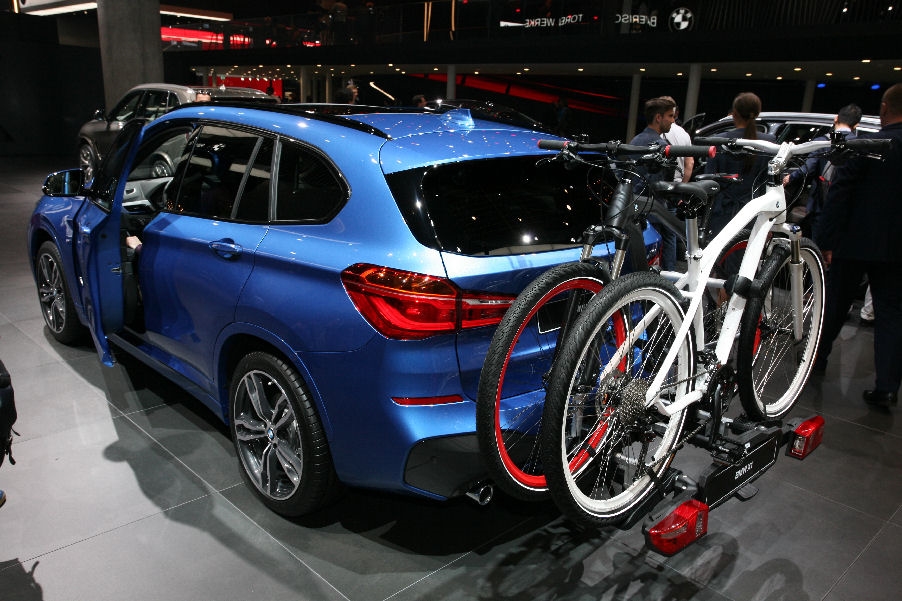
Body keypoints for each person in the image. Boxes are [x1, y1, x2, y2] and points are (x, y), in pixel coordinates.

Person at [813, 82, 902, 408]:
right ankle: (887, 387)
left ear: (883, 108)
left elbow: (840, 194)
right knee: (891, 314)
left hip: (854, 241)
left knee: (835, 304)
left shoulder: (867, 145)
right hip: (897, 248)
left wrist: (824, 242)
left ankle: (816, 360)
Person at [704, 92, 776, 238]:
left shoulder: (718, 140)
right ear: (757, 113)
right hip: (754, 212)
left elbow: (708, 181)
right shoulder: (768, 142)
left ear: (734, 113)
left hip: (721, 212)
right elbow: (769, 182)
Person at [783, 103, 862, 237]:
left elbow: (808, 168)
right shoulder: (859, 144)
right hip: (847, 205)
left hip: (822, 203)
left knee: (818, 240)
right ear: (856, 125)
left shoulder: (823, 142)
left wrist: (790, 177)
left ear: (836, 119)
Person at [631, 96, 678, 270]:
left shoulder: (635, 141)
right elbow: (661, 183)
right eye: (670, 116)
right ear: (659, 117)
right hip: (654, 209)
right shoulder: (661, 146)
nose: (673, 121)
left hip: (633, 207)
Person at [659, 96, 694, 183]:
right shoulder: (684, 133)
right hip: (677, 184)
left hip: (659, 183)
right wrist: (682, 185)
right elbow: (690, 163)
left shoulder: (658, 131)